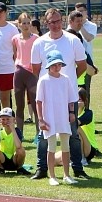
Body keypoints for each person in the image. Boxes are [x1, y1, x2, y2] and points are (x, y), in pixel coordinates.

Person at [30, 8, 89, 181]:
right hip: (47, 98)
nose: (55, 25)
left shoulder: (72, 40)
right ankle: (41, 169)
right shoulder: (39, 43)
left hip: (67, 98)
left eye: (57, 21)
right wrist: (50, 84)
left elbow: (82, 65)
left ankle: (77, 168)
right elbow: (35, 69)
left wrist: (66, 83)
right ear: (46, 24)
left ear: (62, 21)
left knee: (72, 133)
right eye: (51, 22)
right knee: (44, 135)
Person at [35, 50, 78, 186]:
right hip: (49, 118)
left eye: (59, 64)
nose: (57, 67)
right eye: (54, 64)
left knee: (66, 146)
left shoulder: (65, 79)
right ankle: (52, 176)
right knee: (51, 147)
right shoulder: (43, 80)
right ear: (49, 65)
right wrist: (41, 119)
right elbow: (39, 101)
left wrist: (71, 112)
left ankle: (66, 174)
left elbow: (71, 99)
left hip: (63, 117)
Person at [11, 13, 40, 139]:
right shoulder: (15, 39)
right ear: (19, 24)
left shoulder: (36, 39)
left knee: (35, 105)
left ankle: (39, 134)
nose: (26, 25)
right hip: (18, 73)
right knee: (19, 105)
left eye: (28, 23)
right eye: (24, 23)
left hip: (32, 74)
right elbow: (15, 55)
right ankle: (20, 134)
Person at [0, 107, 28, 175]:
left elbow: (18, 146)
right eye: (3, 119)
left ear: (14, 120)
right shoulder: (0, 132)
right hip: (3, 159)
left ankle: (19, 168)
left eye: (8, 119)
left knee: (21, 150)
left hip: (15, 160)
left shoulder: (17, 131)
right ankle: (0, 168)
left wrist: (13, 129)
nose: (5, 121)